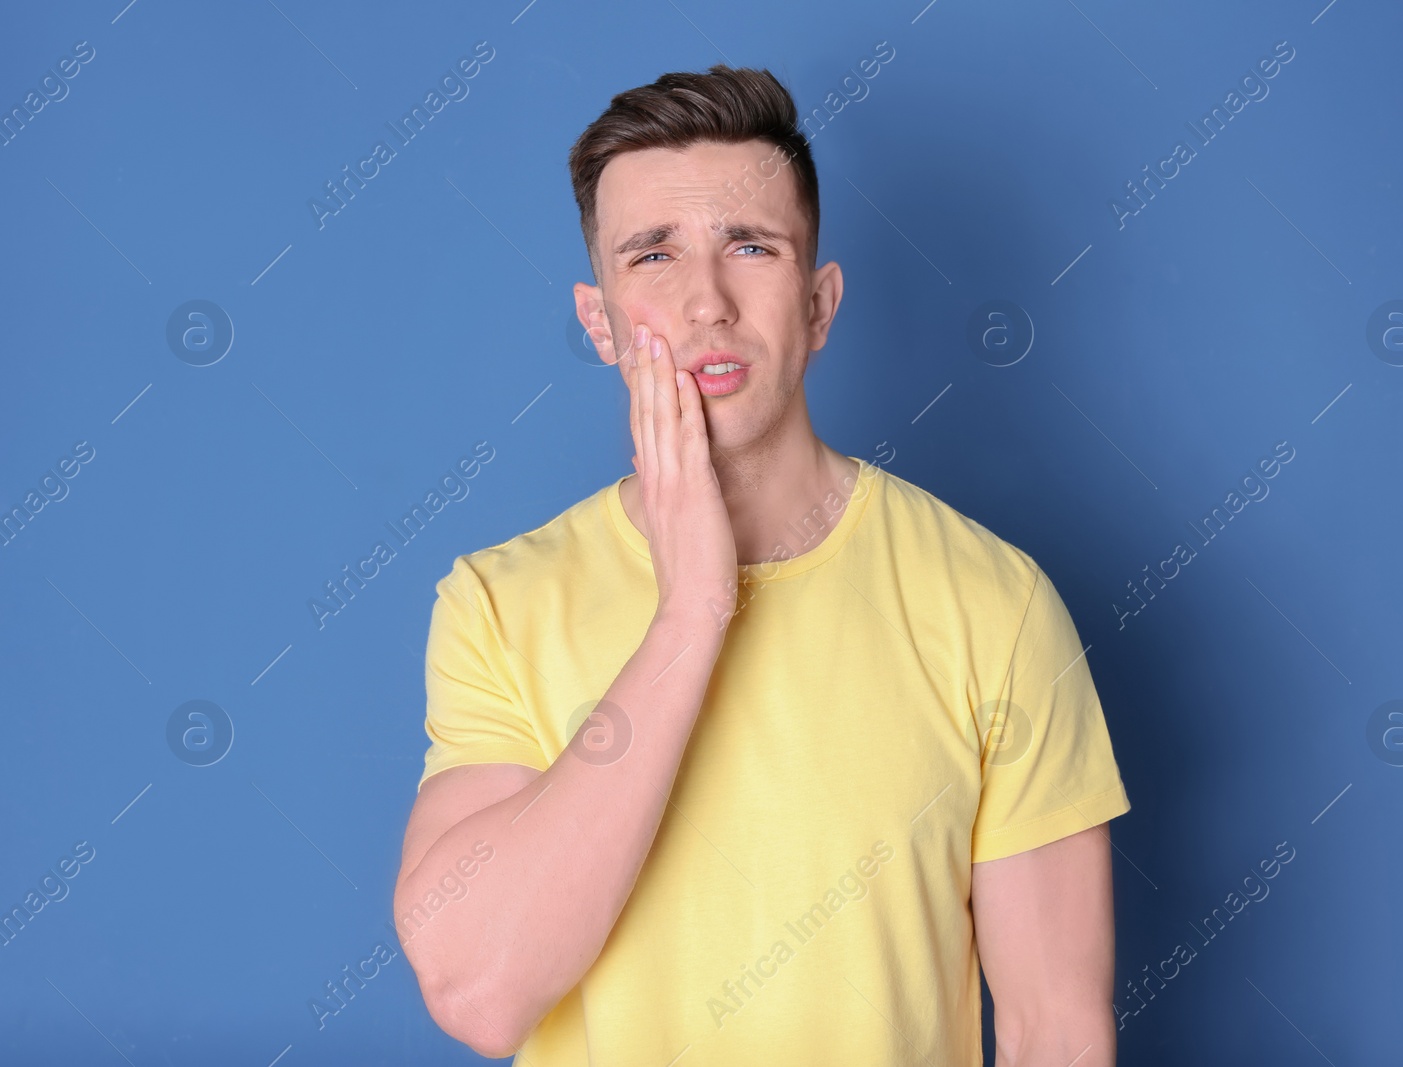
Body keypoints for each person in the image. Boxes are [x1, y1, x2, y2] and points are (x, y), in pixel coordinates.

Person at [392, 64, 1132, 1066]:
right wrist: (693, 608)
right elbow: (481, 991)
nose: (706, 303)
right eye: (651, 254)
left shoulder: (992, 601)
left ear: (818, 304)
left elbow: (1057, 1030)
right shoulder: (496, 603)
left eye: (750, 245)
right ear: (599, 319)